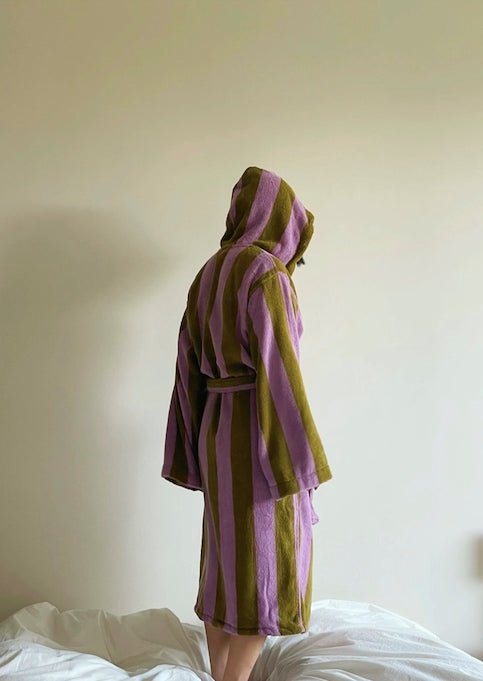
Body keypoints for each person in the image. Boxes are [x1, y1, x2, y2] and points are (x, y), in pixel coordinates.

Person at [161, 166, 333, 681]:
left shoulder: (207, 274)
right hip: (259, 433)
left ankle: (219, 673)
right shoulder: (267, 274)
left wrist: (190, 445)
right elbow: (280, 369)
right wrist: (299, 460)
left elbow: (186, 368)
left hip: (216, 430)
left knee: (225, 562)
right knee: (266, 565)